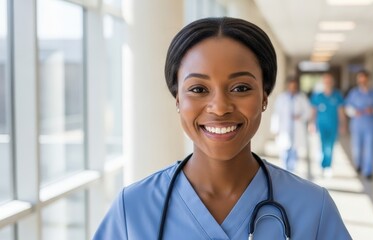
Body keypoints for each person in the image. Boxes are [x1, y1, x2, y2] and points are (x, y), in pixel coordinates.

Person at [93, 17, 351, 240]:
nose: (219, 108)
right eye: (198, 89)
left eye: (240, 88)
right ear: (178, 100)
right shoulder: (133, 208)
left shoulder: (313, 207)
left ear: (264, 96)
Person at [345, 70, 373, 180]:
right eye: (360, 79)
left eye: (364, 79)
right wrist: (354, 112)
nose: (362, 81)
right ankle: (359, 164)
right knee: (357, 147)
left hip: (370, 125)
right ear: (358, 80)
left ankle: (369, 171)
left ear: (368, 80)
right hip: (357, 125)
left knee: (370, 147)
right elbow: (348, 107)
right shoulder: (354, 93)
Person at [271, 76, 312, 172]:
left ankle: (291, 172)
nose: (293, 88)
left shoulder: (301, 98)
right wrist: (275, 129)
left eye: (294, 86)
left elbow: (308, 112)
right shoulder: (281, 98)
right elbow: (276, 114)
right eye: (291, 86)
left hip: (296, 129)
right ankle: (284, 171)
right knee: (284, 152)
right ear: (288, 86)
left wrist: (300, 116)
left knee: (294, 152)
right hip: (284, 129)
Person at [310, 73, 346, 177]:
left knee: (330, 146)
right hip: (321, 125)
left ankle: (328, 166)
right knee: (322, 145)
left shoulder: (337, 95)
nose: (327, 83)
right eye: (326, 81)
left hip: (333, 125)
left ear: (332, 83)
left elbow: (341, 112)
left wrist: (343, 125)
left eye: (329, 81)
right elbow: (314, 111)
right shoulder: (318, 96)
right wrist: (311, 123)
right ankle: (323, 164)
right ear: (323, 83)